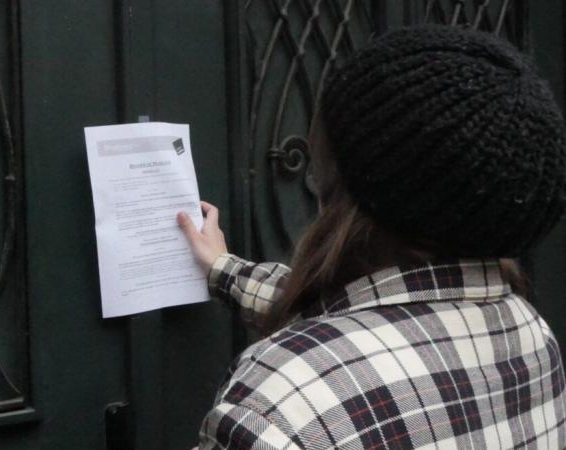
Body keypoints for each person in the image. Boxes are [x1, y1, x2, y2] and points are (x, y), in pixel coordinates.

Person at [178, 26, 566, 449]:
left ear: (345, 189)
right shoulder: (531, 334)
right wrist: (223, 268)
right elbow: (364, 318)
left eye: (318, 162)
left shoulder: (279, 407)